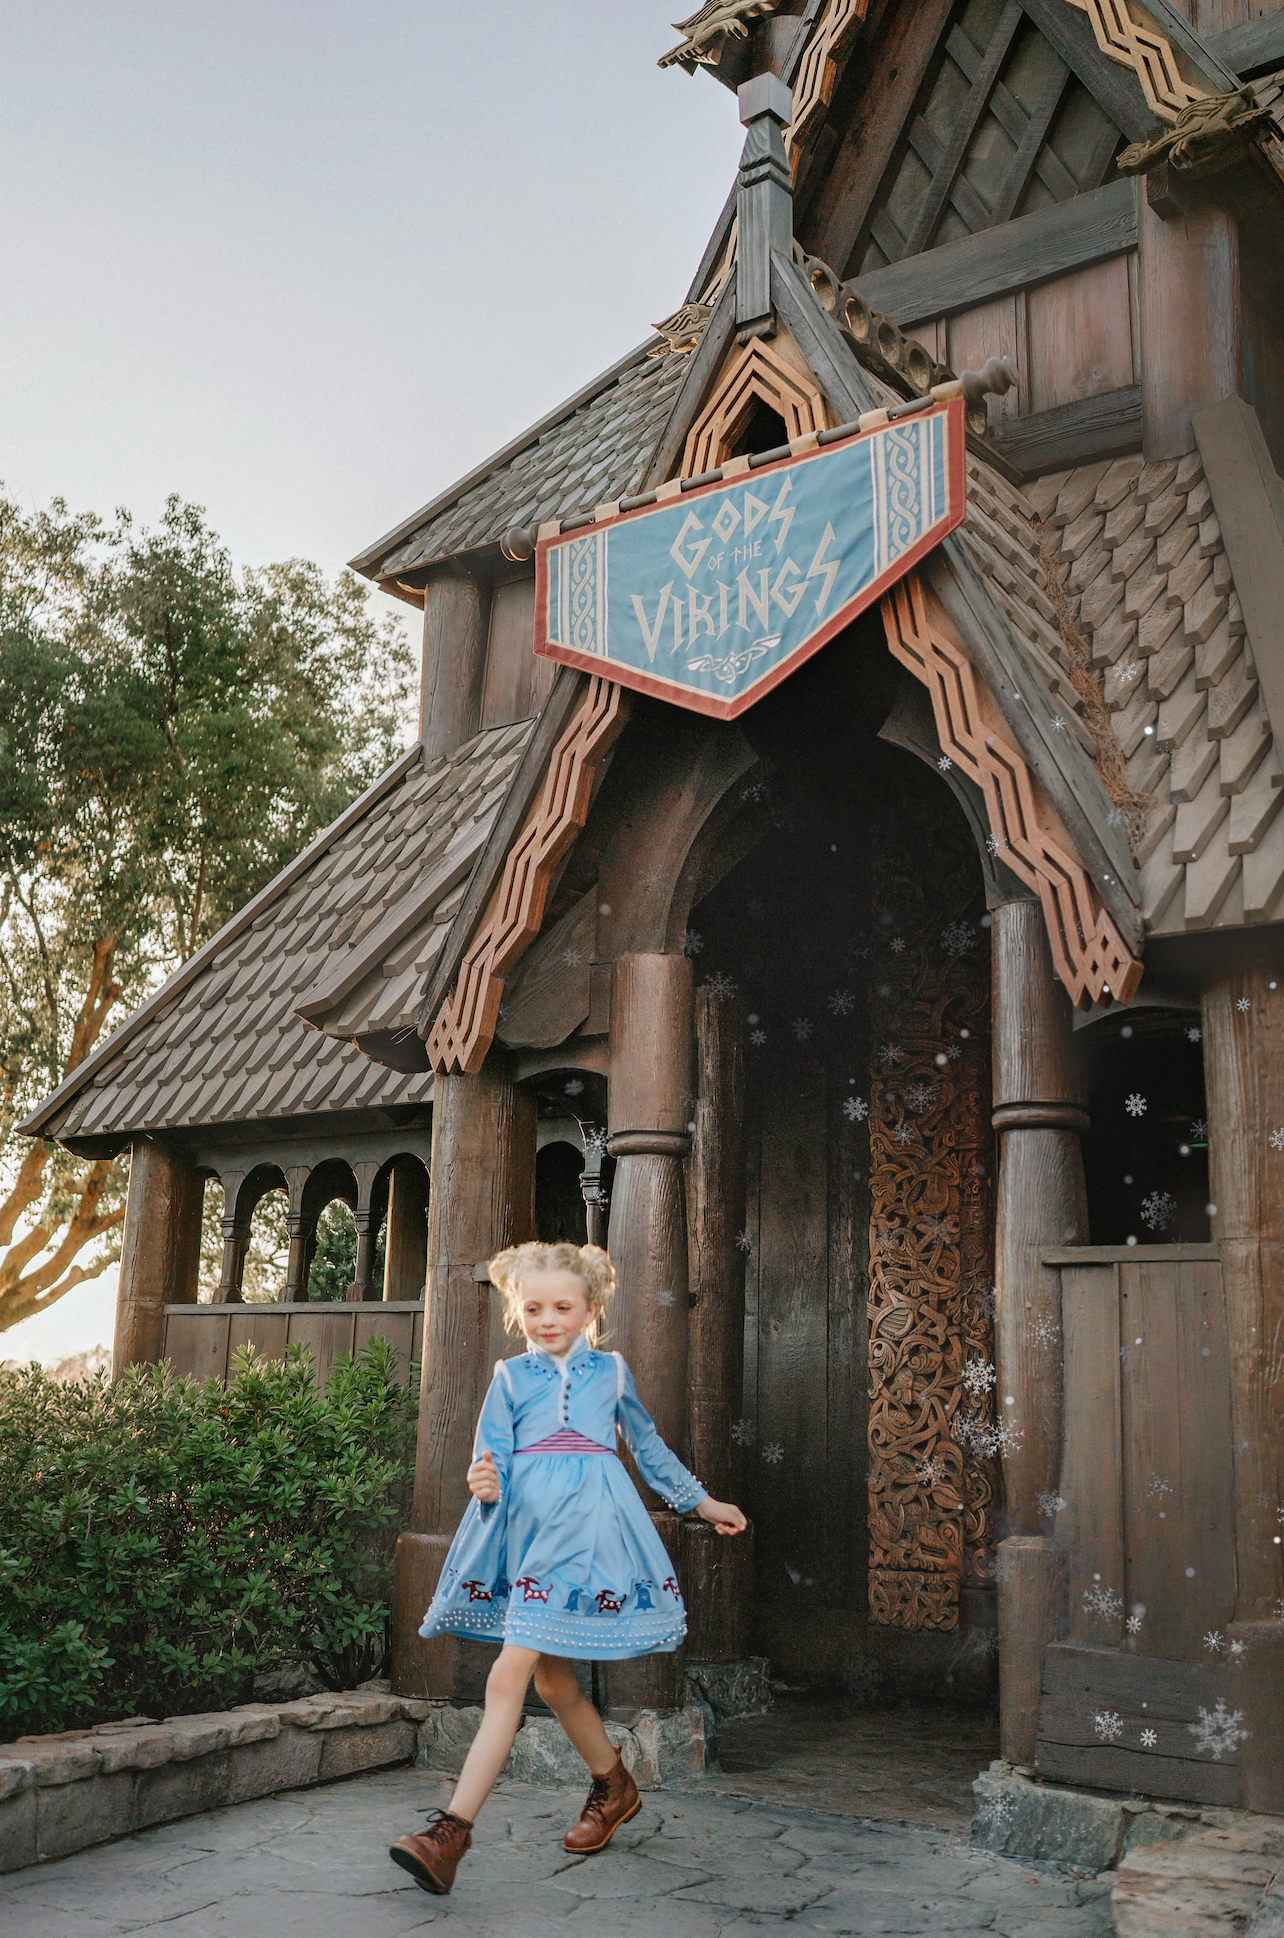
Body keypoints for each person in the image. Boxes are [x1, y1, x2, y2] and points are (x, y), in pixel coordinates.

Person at [389, 1240, 746, 1895]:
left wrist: (702, 1502)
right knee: (552, 1683)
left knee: (508, 1678)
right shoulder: (510, 1378)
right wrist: (484, 1479)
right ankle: (614, 1785)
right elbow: (487, 1457)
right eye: (533, 1307)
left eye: (562, 1306)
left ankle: (450, 1833)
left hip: (586, 1537)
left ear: (590, 1309)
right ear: (516, 1312)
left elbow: (649, 1449)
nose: (547, 1318)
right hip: (526, 1536)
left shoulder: (610, 1372)